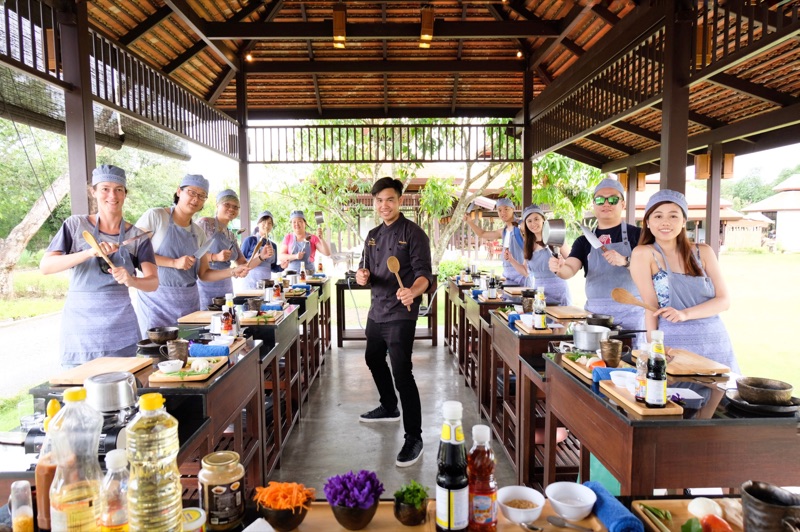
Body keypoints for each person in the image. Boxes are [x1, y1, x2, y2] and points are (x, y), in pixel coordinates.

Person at [40, 165, 158, 367]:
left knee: (123, 388)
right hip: (81, 330)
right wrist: (89, 252)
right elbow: (46, 266)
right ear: (93, 192)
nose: (112, 195)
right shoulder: (75, 225)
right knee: (80, 390)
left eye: (119, 189)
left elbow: (153, 282)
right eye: (105, 188)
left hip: (121, 328)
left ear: (125, 194)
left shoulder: (137, 237)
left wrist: (131, 280)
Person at [355, 177, 434, 468]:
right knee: (373, 357)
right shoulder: (373, 234)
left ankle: (414, 436)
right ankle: (389, 406)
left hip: (402, 311)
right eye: (378, 200)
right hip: (377, 309)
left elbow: (425, 275)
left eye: (389, 199)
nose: (383, 205)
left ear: (400, 201)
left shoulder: (414, 234)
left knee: (402, 371)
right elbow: (366, 270)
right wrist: (362, 276)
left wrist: (412, 290)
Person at [630, 189, 738, 371]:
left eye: (673, 216)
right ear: (647, 222)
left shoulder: (704, 252)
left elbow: (724, 301)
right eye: (657, 216)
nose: (665, 222)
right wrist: (654, 346)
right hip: (673, 343)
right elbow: (650, 307)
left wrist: (685, 314)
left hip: (715, 341)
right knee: (676, 397)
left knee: (720, 395)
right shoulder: (643, 254)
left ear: (683, 222)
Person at [134, 174, 248, 334]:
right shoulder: (156, 216)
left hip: (189, 303)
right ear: (179, 191)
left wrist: (232, 271)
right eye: (192, 193)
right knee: (159, 354)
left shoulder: (199, 232)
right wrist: (173, 263)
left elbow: (204, 274)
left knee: (191, 353)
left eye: (202, 196)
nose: (196, 199)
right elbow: (135, 253)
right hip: (157, 301)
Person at [549, 178, 644, 333]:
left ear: (623, 204)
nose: (606, 204)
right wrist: (559, 268)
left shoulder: (639, 236)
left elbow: (652, 269)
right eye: (600, 200)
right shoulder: (584, 240)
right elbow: (570, 269)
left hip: (632, 313)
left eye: (613, 199)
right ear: (593, 204)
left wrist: (625, 261)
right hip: (595, 317)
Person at [507, 204, 572, 305]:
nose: (533, 223)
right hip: (539, 293)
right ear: (526, 224)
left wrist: (563, 264)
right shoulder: (528, 244)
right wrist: (511, 259)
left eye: (536, 219)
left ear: (543, 220)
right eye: (529, 221)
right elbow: (525, 271)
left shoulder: (555, 237)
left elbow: (572, 262)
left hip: (559, 291)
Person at [196, 189, 247, 307]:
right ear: (217, 205)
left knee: (226, 321)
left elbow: (242, 262)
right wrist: (215, 257)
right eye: (227, 204)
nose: (231, 209)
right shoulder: (204, 223)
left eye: (235, 207)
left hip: (226, 286)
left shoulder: (231, 235)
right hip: (205, 285)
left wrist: (261, 256)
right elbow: (190, 253)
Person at [463, 198, 526, 286]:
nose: (503, 212)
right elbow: (483, 234)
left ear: (513, 209)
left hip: (522, 274)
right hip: (507, 275)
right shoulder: (503, 231)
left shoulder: (522, 226)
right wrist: (470, 222)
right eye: (499, 210)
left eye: (506, 209)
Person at [240, 210, 282, 290]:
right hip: (251, 286)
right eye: (264, 222)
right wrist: (258, 256)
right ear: (258, 224)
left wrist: (282, 266)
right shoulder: (249, 241)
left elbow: (273, 268)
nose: (266, 225)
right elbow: (241, 264)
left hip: (267, 286)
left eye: (269, 223)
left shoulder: (273, 245)